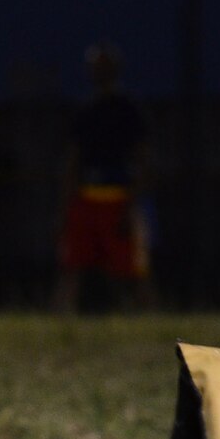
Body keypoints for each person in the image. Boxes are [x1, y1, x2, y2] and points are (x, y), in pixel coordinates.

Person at [53, 42, 155, 312]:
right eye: (95, 66)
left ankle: (150, 322)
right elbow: (72, 161)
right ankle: (58, 323)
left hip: (119, 197)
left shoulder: (127, 109)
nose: (99, 71)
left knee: (133, 270)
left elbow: (143, 159)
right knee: (72, 266)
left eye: (105, 66)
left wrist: (133, 201)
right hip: (86, 197)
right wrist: (67, 205)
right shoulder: (86, 110)